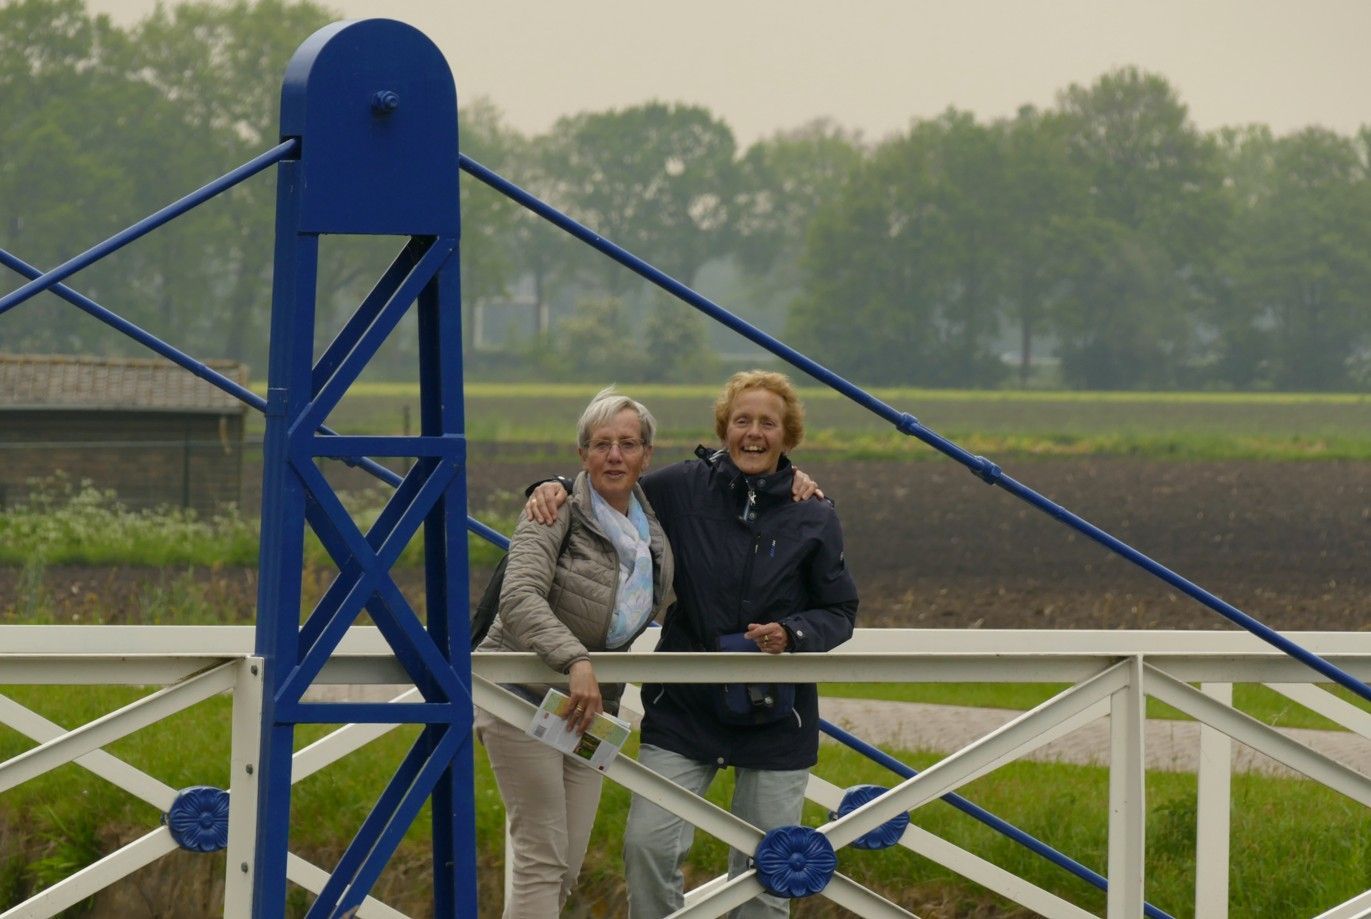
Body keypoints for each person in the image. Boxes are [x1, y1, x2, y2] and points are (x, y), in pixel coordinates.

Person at [525, 370, 858, 918]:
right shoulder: (679, 488)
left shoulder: (814, 512)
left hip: (777, 714)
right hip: (684, 709)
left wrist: (793, 634)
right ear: (725, 429)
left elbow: (840, 610)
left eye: (767, 423)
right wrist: (551, 485)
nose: (753, 433)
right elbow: (609, 481)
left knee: (767, 874)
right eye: (742, 421)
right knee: (647, 847)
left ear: (788, 435)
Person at [474, 386, 675, 918]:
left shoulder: (653, 527)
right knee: (542, 856)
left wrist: (796, 477)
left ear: (646, 455)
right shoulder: (553, 509)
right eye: (602, 443)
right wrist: (576, 660)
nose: (615, 455)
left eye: (628, 444)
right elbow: (518, 596)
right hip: (523, 694)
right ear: (582, 453)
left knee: (567, 863)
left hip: (592, 711)